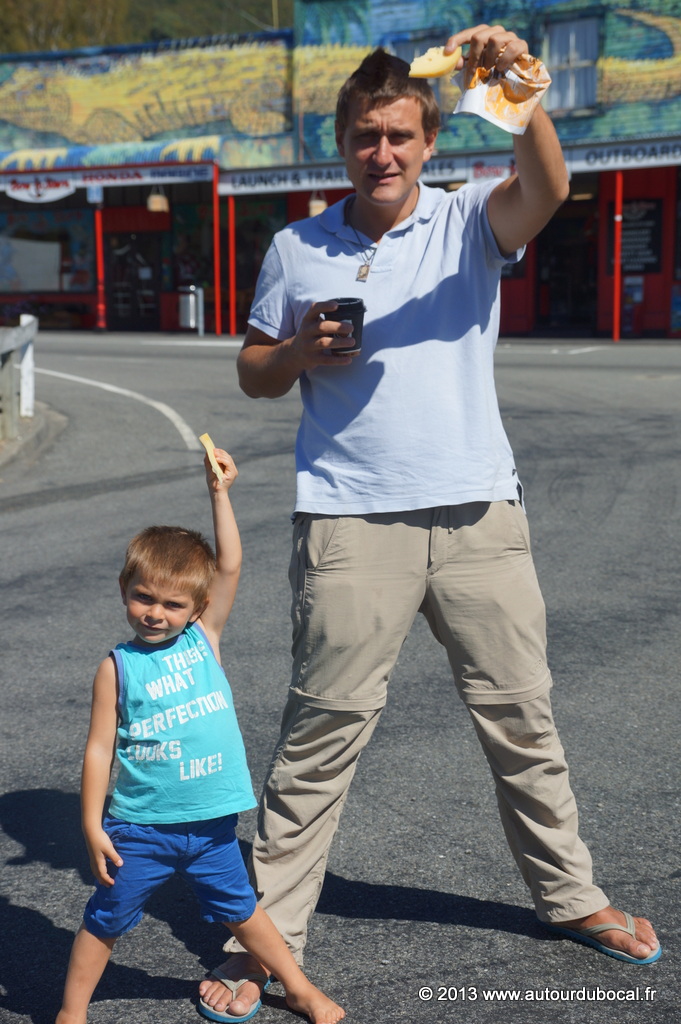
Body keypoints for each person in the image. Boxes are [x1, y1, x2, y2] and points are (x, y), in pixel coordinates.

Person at [199, 23, 661, 1021]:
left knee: (522, 718)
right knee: (318, 738)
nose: (383, 153)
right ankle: (264, 940)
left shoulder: (466, 221)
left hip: (476, 513)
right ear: (342, 142)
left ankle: (571, 895)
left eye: (401, 136)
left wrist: (518, 94)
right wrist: (297, 354)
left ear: (429, 142)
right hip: (349, 521)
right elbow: (252, 371)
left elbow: (548, 189)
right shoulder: (295, 246)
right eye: (366, 136)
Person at [56, 445, 345, 1024]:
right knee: (106, 920)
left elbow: (229, 564)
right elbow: (99, 749)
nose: (155, 613)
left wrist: (220, 494)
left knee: (243, 911)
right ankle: (71, 1011)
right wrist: (91, 825)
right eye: (143, 597)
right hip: (140, 829)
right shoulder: (116, 668)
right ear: (124, 588)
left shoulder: (202, 639)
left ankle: (298, 988)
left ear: (197, 608)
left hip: (212, 825)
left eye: (172, 603)